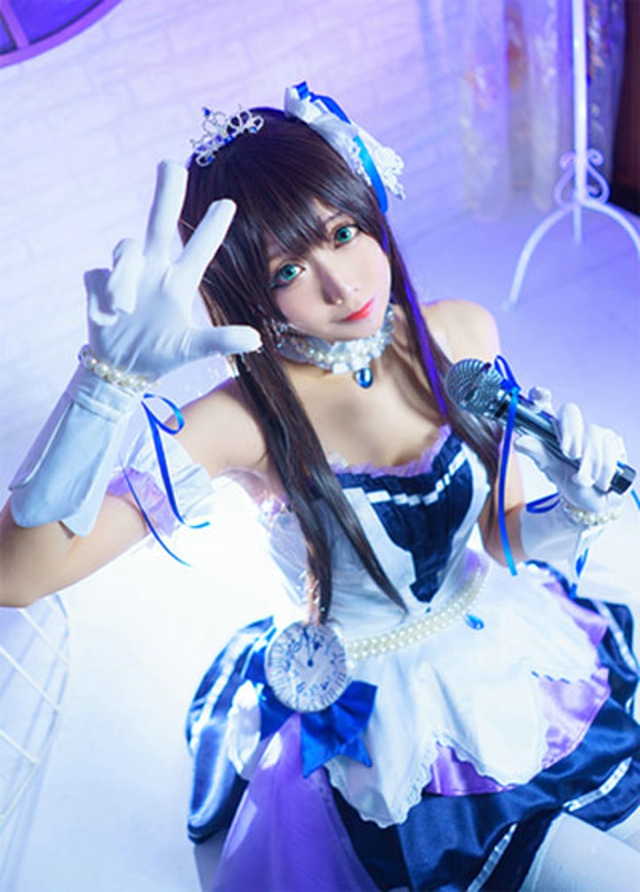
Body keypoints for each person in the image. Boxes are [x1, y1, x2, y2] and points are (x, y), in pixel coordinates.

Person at [1, 82, 639, 891]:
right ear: (246, 290)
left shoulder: (459, 331)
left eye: (343, 232)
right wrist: (105, 383)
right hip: (391, 719)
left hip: (513, 655)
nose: (342, 285)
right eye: (289, 269)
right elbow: (19, 576)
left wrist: (574, 507)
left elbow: (500, 536)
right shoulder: (240, 421)